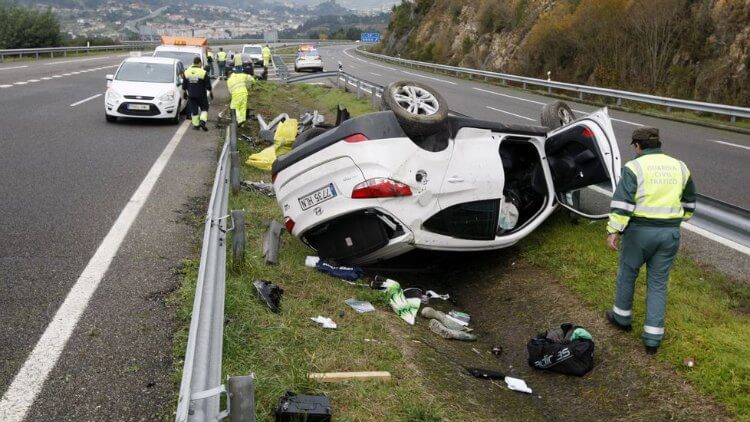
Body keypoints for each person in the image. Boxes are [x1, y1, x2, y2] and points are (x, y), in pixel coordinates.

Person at [605, 127, 696, 355]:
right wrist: (674, 222)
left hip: (639, 233)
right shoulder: (680, 166)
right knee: (658, 283)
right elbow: (690, 203)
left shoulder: (634, 167)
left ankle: (621, 318)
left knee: (627, 274)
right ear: (658, 144)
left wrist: (614, 230)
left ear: (637, 145)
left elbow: (623, 203)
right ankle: (652, 340)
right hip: (669, 234)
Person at [183, 56, 213, 131]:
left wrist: (185, 93)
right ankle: (202, 122)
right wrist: (210, 92)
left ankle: (196, 126)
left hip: (191, 95)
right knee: (204, 109)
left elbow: (184, 86)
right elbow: (208, 86)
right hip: (202, 95)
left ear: (193, 63)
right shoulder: (203, 72)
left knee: (194, 111)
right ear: (199, 63)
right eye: (201, 64)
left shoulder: (186, 72)